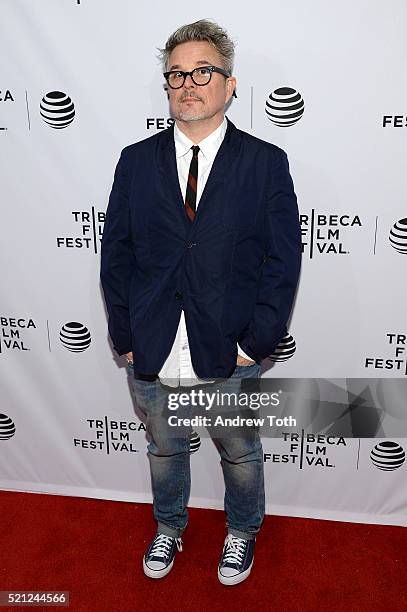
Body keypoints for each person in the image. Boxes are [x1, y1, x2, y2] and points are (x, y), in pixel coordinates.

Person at [100, 18, 302, 585]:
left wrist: (256, 340)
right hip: (153, 346)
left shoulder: (265, 163)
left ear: (230, 83)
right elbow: (114, 255)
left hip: (229, 349)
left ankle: (242, 531)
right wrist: (127, 336)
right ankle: (169, 526)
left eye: (203, 71)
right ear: (166, 85)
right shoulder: (134, 161)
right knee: (165, 450)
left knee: (239, 453)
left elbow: (282, 263)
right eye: (176, 75)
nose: (188, 84)